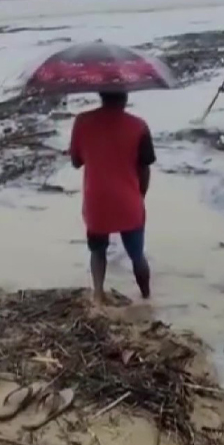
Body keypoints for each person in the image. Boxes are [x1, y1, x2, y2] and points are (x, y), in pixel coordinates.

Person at [68, 90, 156, 304]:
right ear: (126, 98)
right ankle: (147, 298)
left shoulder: (82, 122)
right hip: (129, 201)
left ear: (100, 95)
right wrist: (140, 196)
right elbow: (145, 168)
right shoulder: (139, 126)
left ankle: (98, 294)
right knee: (137, 255)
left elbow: (76, 161)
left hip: (97, 201)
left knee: (98, 252)